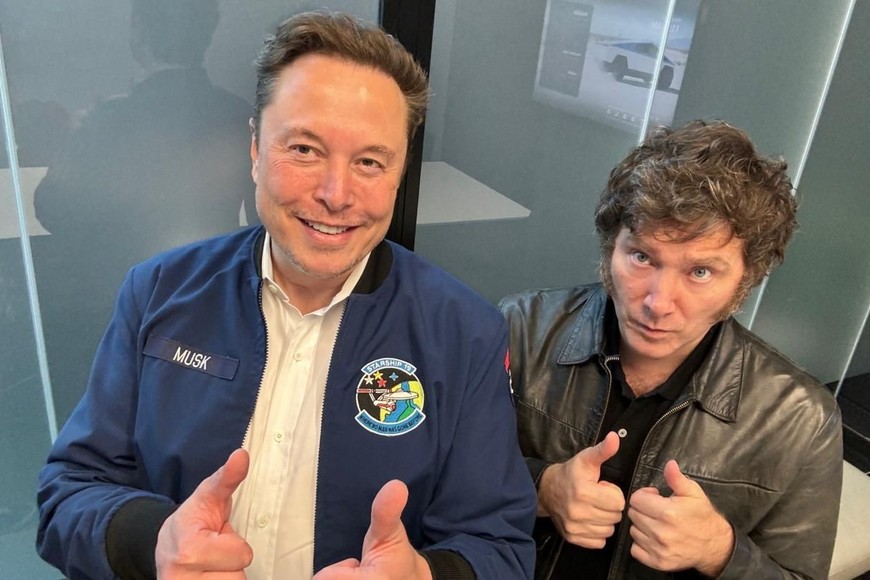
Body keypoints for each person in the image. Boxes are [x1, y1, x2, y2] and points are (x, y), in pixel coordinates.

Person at [36, 11, 536, 580]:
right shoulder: (158, 292)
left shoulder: (465, 333)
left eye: (369, 162)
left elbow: (499, 545)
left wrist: (424, 576)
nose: (336, 194)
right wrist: (153, 541)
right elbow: (68, 492)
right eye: (304, 149)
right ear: (255, 149)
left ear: (399, 172)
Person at [499, 120, 842, 579]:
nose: (658, 303)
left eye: (700, 272)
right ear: (611, 250)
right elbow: (440, 474)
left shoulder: (799, 418)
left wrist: (721, 551)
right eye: (642, 257)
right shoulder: (521, 328)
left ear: (745, 279)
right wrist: (542, 488)